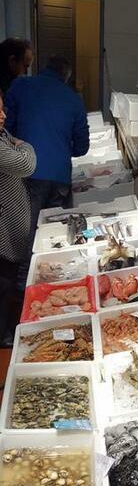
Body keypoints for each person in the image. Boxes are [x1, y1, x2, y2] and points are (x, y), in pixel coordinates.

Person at [6, 55, 90, 286]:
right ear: (66, 77)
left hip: (26, 172)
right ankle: (50, 286)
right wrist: (61, 147)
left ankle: (23, 288)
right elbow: (82, 147)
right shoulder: (73, 99)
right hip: (59, 177)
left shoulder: (21, 86)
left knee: (27, 232)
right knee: (52, 234)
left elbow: (7, 127)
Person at [0, 92, 36, 344]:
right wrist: (25, 146)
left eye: (3, 109)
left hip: (10, 232)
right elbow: (26, 165)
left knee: (8, 283)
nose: (3, 115)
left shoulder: (2, 134)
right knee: (3, 285)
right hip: (3, 236)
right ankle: (3, 337)